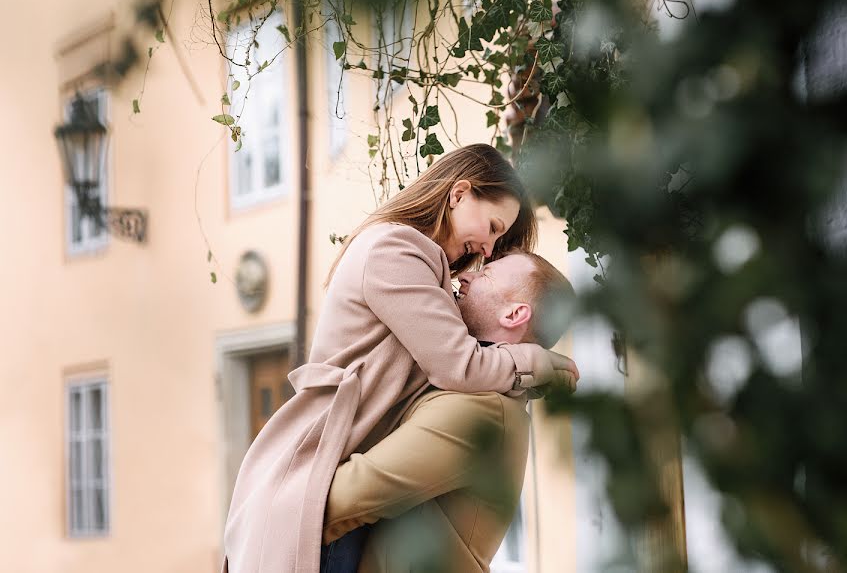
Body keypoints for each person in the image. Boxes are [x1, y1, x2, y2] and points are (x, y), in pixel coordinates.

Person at [222, 144, 579, 573]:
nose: (487, 248)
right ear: (459, 193)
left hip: (327, 480)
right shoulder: (398, 251)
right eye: (492, 227)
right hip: (318, 471)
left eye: (497, 242)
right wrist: (532, 362)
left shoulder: (427, 269)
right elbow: (458, 365)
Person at [320, 251, 577, 573]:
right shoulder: (475, 393)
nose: (465, 276)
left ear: (514, 315)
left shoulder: (481, 409)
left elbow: (339, 502)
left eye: (486, 274)